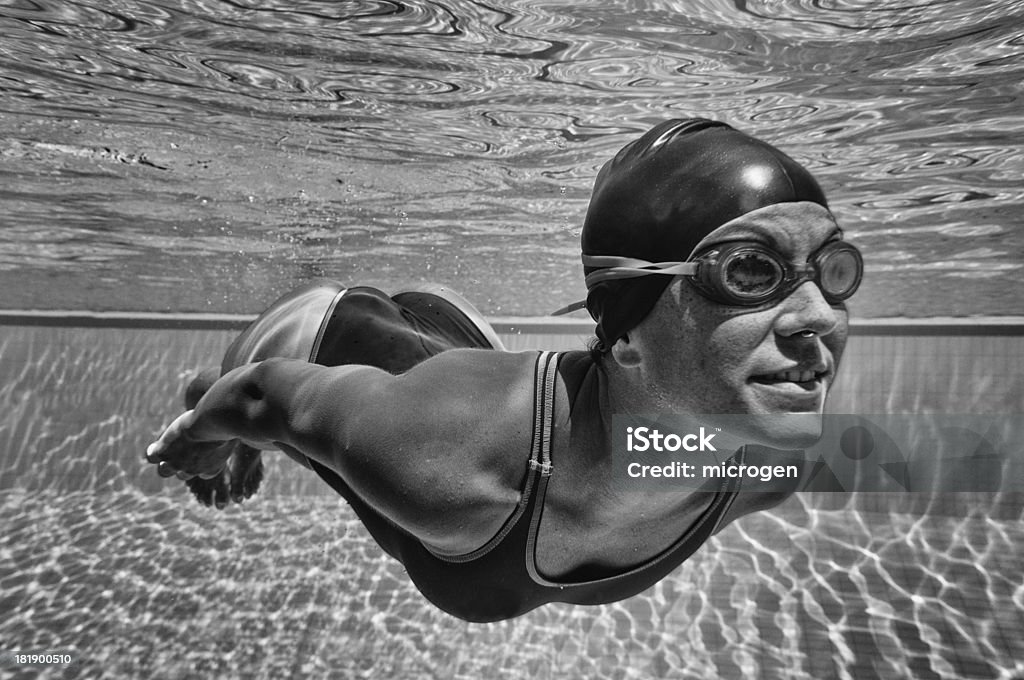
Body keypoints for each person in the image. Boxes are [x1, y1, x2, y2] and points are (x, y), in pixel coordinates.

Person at [146, 118, 862, 622]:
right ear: (627, 332)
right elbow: (266, 393)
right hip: (327, 334)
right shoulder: (450, 461)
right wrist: (209, 432)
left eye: (835, 270)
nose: (824, 317)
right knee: (244, 403)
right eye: (749, 270)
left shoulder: (764, 464)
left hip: (462, 340)